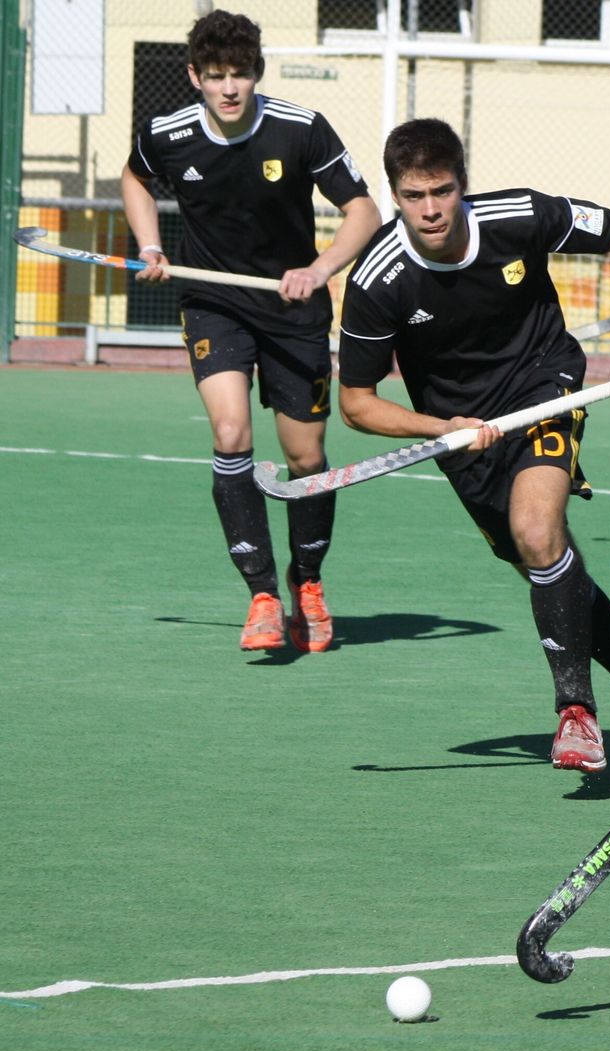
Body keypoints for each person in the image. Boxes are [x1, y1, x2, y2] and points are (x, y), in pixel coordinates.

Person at [336, 118, 610, 776]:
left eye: (442, 191)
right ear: (395, 196)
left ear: (462, 185)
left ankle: (575, 712)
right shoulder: (378, 279)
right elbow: (357, 403)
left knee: (535, 527)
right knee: (545, 562)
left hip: (544, 385)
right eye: (414, 196)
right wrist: (441, 428)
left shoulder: (519, 216)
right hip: (461, 433)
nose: (431, 210)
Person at [121, 10, 381, 652]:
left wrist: (319, 269)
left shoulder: (299, 129)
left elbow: (364, 210)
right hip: (214, 301)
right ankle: (262, 594)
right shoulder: (168, 133)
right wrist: (151, 244)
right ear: (195, 77)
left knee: (305, 458)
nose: (229, 88)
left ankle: (308, 583)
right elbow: (134, 177)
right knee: (231, 430)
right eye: (215, 76)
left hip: (292, 309)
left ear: (256, 74)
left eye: (239, 74)